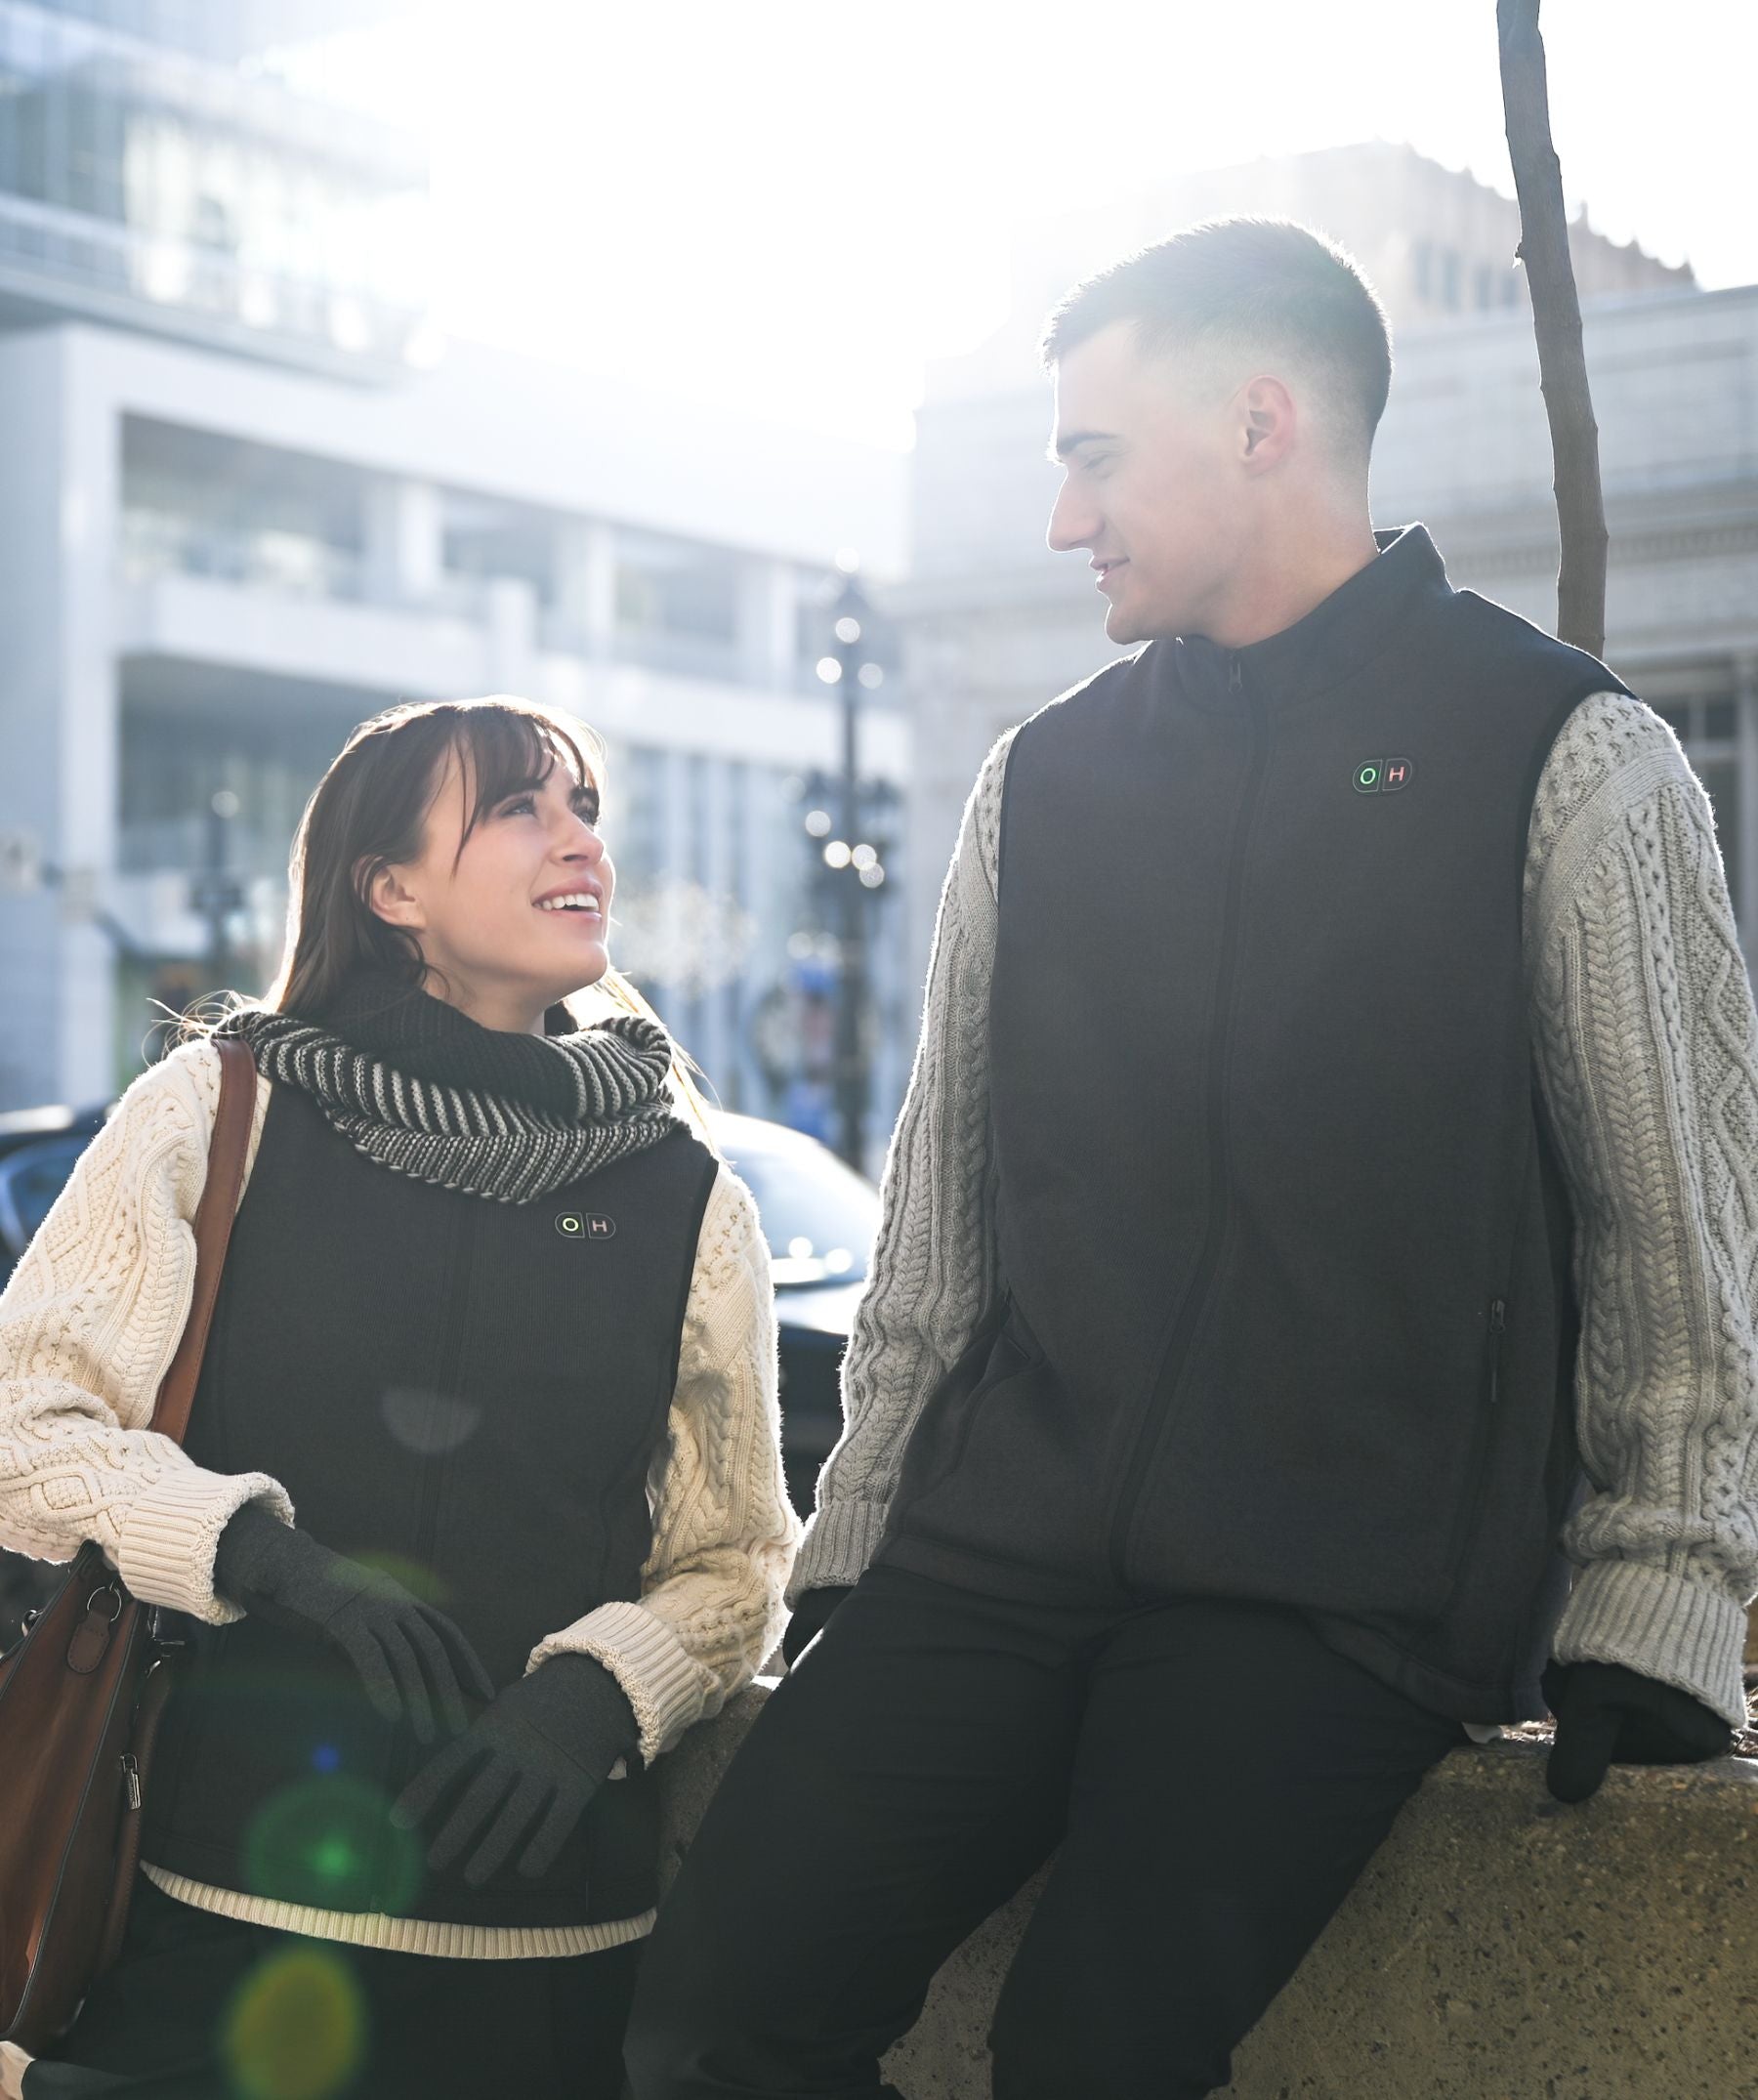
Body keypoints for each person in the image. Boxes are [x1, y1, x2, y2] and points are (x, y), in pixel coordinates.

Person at [623, 220, 1757, 2099]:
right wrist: (869, 1547)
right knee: (708, 2013)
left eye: (1092, 457)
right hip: (997, 1557)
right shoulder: (1042, 781)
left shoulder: (1563, 753)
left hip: (1338, 1594)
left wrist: (1663, 1591)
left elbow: (1681, 1214)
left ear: (1260, 421)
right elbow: (942, 1225)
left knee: (1085, 2059)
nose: (1065, 522)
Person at [0, 695, 797, 2099]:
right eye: (518, 807)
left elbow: (736, 1559)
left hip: (559, 1961)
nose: (579, 841)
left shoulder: (688, 1194)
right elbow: (24, 1420)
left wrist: (604, 1696)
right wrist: (270, 1556)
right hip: (221, 1925)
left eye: (586, 810)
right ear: (390, 889)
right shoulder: (218, 1110)